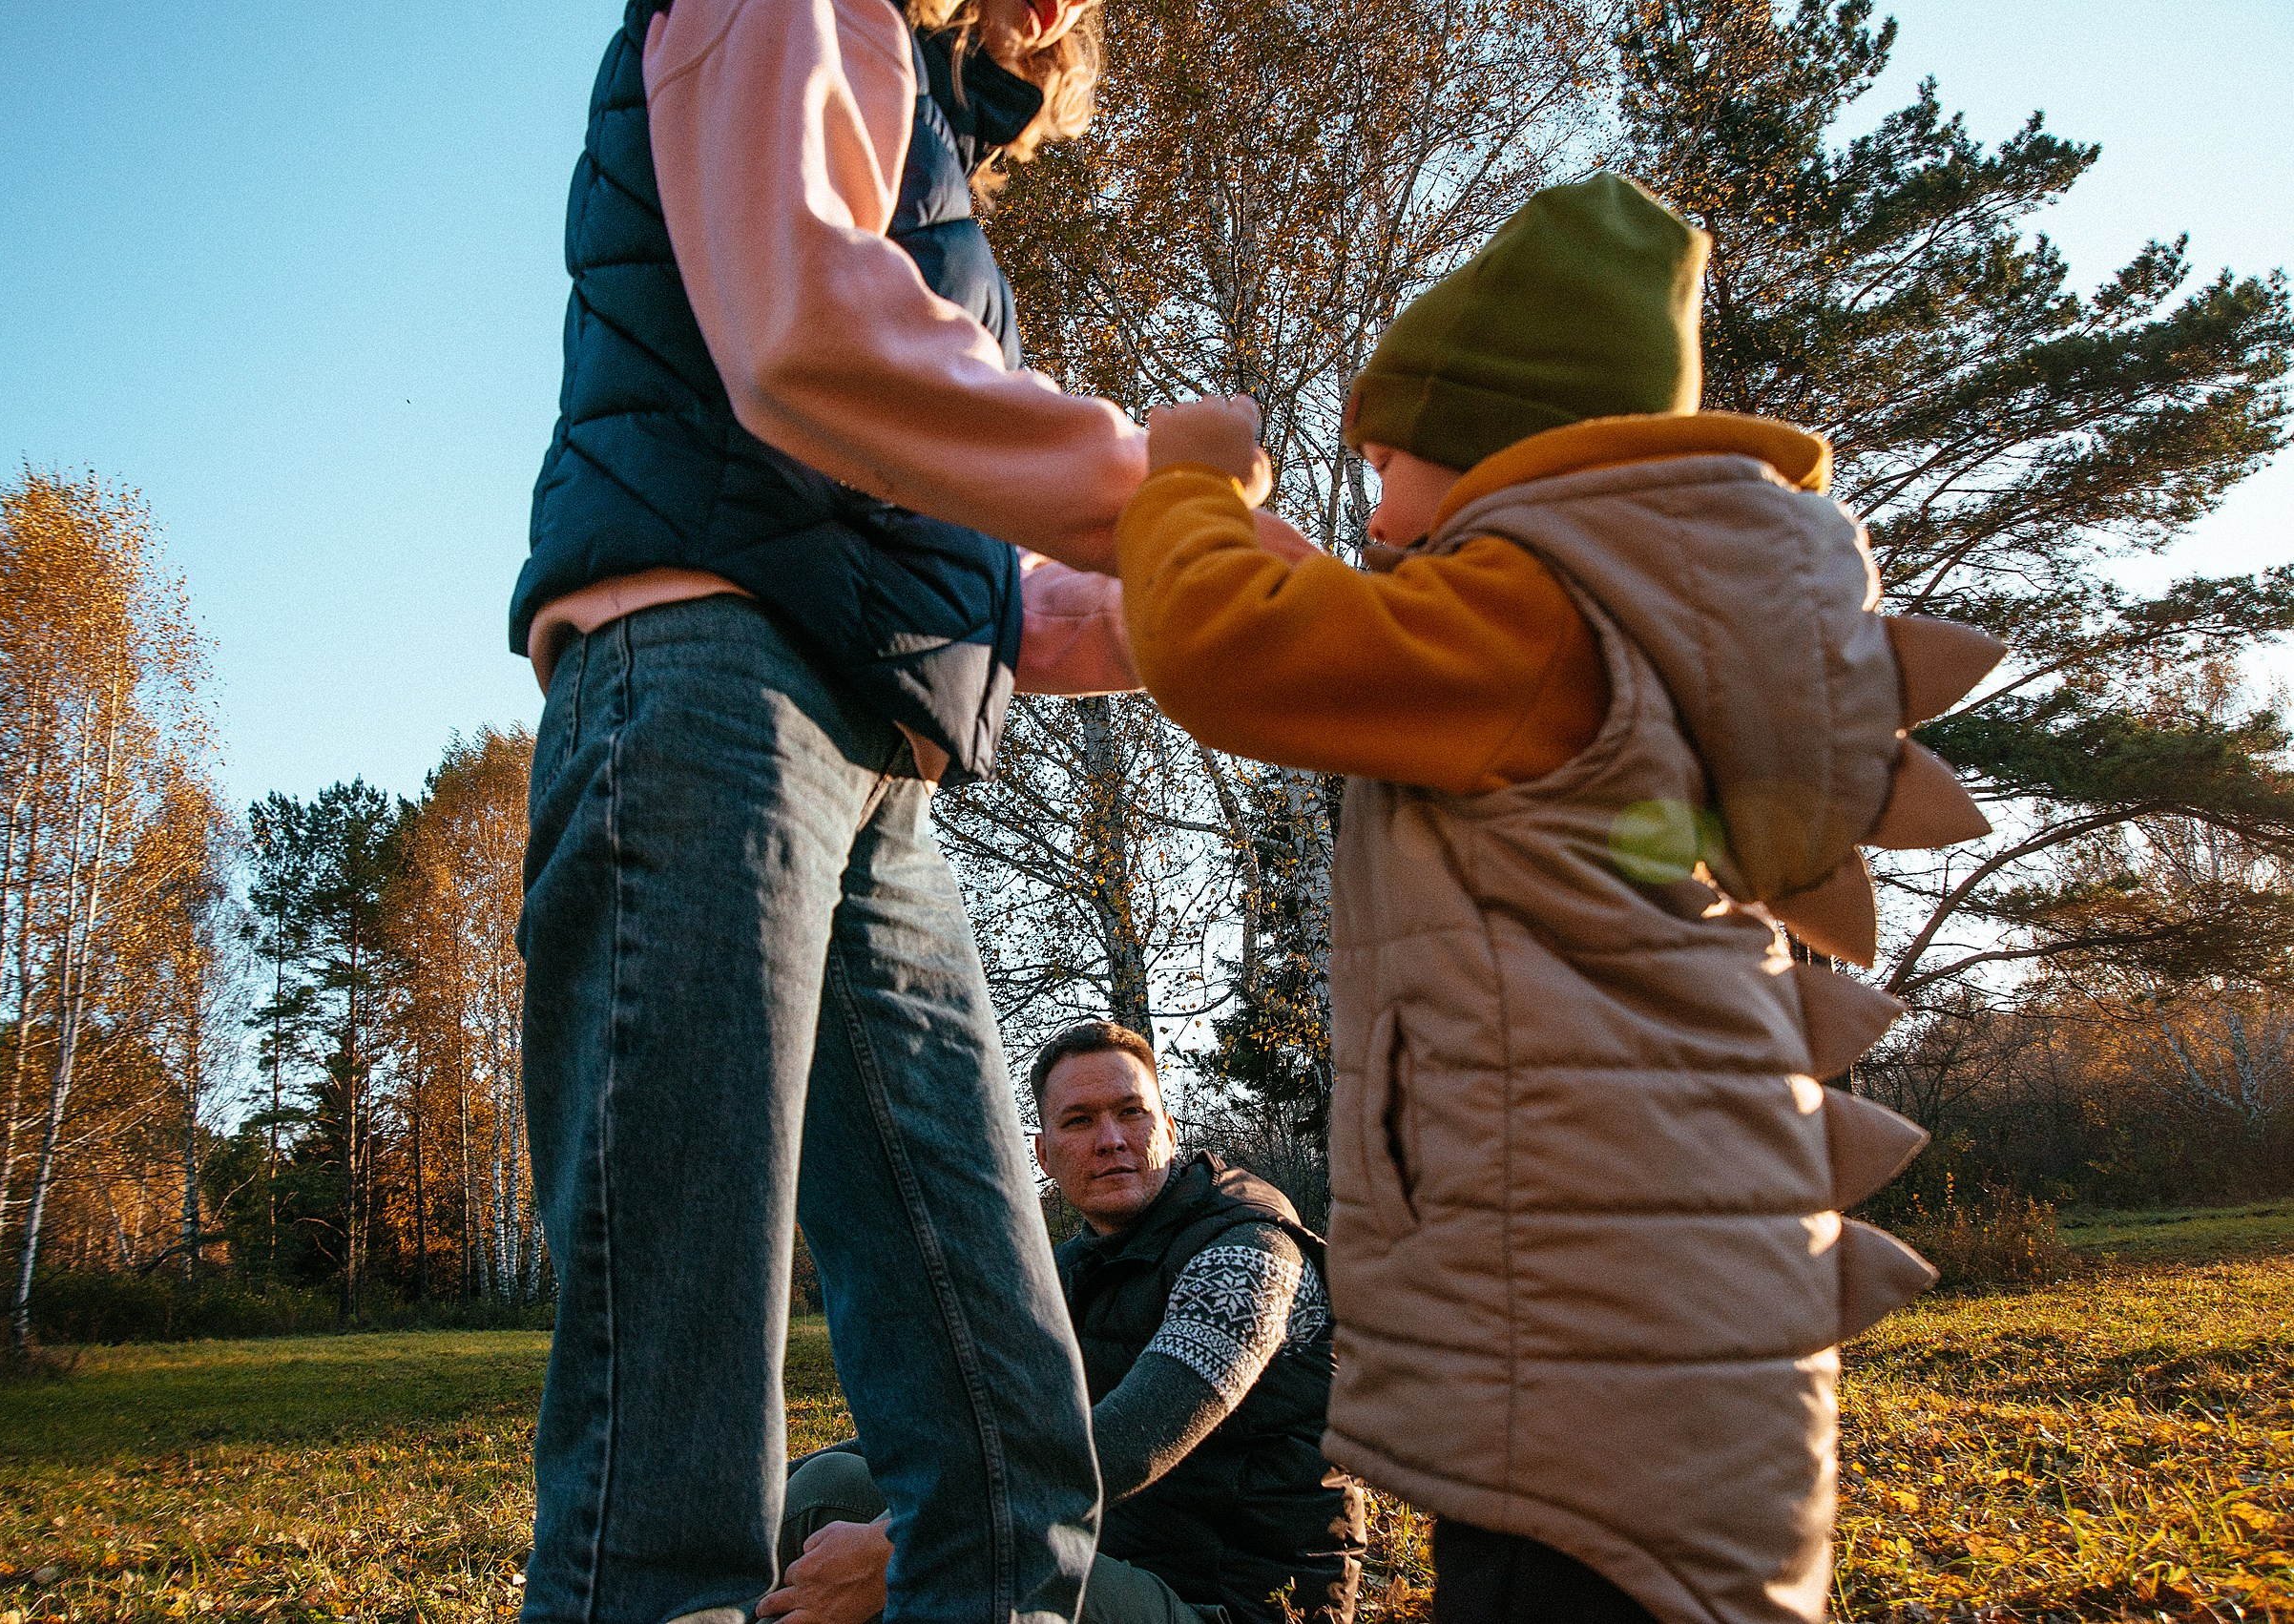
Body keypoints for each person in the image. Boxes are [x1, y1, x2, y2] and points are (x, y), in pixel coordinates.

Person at [1108, 174, 2005, 1624]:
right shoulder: (1620, 628)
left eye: (1394, 463)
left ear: (1502, 460)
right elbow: (1390, 666)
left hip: (1588, 1351)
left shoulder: (1529, 618)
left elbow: (1232, 653)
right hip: (1658, 1311)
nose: (1381, 514)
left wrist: (1189, 485)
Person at [508, 0, 1219, 1619]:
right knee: (670, 1429)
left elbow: (957, 580)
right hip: (702, 690)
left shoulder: (930, 147)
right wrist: (1158, 499)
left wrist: (1250, 617)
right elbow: (804, 342)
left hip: (874, 754)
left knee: (1003, 1421)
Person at [761, 1022, 1365, 1624]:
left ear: (1169, 1131)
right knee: (827, 1483)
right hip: (1119, 1566)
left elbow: (1132, 1442)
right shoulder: (1067, 1274)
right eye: (1079, 1121)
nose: (1111, 1139)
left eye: (1132, 1113)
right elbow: (962, 1429)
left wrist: (899, 1550)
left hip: (1237, 1608)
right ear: (1045, 1155)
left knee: (848, 1508)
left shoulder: (1249, 1252)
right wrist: (740, 1491)